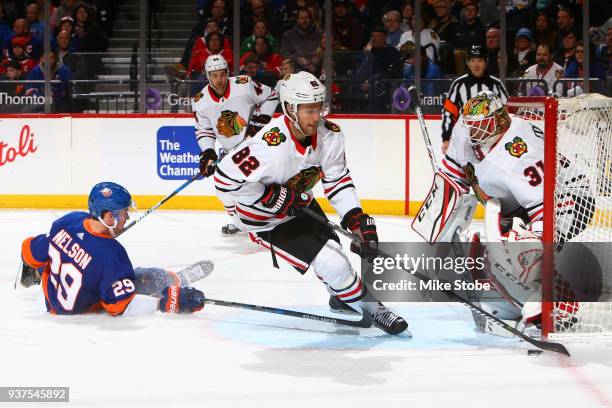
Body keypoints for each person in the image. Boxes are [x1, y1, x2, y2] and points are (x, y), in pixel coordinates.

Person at [213, 71, 408, 335]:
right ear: (290, 109)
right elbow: (224, 178)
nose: (316, 118)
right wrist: (267, 198)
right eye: (308, 110)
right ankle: (374, 308)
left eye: (319, 108)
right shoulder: (268, 145)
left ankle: (341, 296)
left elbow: (337, 180)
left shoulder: (331, 135)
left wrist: (355, 218)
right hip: (265, 221)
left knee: (336, 255)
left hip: (300, 203)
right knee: (334, 263)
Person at [433, 91, 593, 327]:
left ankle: (558, 305)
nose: (472, 133)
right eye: (471, 126)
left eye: (481, 126)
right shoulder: (465, 131)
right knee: (495, 256)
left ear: (499, 120)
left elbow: (543, 210)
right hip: (522, 204)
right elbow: (453, 175)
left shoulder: (520, 157)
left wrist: (533, 249)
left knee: (524, 254)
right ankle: (512, 302)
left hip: (568, 198)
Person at [19, 182, 206, 316]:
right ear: (109, 216)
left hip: (45, 301)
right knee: (136, 277)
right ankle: (168, 280)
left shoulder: (69, 220)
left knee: (56, 255)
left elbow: (28, 250)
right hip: (77, 312)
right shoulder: (112, 256)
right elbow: (119, 306)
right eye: (125, 212)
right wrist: (165, 303)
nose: (127, 217)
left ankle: (38, 276)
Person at [193, 54, 279, 235]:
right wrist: (208, 152)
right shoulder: (200, 101)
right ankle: (241, 223)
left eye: (222, 74)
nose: (219, 80)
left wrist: (262, 119)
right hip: (229, 153)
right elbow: (204, 131)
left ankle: (269, 219)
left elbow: (272, 95)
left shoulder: (244, 84)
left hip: (256, 146)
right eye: (214, 75)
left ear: (227, 72)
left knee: (261, 185)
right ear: (208, 76)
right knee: (224, 192)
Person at [440, 45, 508, 153]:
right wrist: (446, 139)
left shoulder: (496, 84)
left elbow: (507, 112)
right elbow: (449, 112)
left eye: (480, 60)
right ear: (467, 62)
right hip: (464, 140)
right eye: (472, 60)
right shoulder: (458, 85)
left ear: (486, 62)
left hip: (492, 141)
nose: (476, 64)